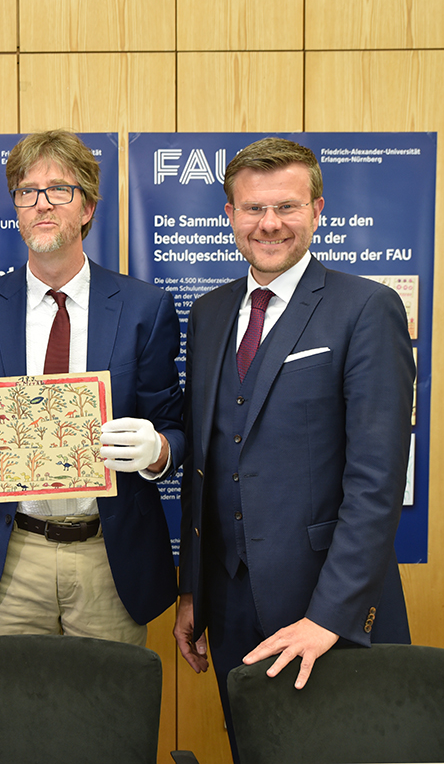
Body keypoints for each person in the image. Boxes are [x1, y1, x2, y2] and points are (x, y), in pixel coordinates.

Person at [173, 136, 414, 760]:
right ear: (229, 215)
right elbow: (205, 465)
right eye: (253, 209)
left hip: (324, 609)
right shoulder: (209, 313)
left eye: (287, 206)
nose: (270, 224)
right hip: (228, 606)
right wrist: (192, 592)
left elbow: (376, 482)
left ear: (318, 210)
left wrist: (328, 617)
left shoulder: (366, 308)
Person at [0, 129, 185, 645]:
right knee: (10, 718)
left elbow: (175, 428)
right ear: (15, 207)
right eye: (26, 191)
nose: (41, 203)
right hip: (11, 555)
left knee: (109, 718)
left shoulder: (143, 308)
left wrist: (157, 452)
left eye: (59, 189)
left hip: (109, 557)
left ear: (87, 207)